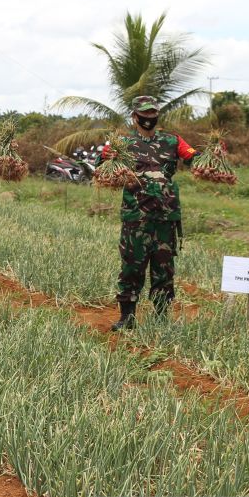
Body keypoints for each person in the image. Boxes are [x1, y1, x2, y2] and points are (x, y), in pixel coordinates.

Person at [104, 95, 197, 331]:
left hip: (165, 218)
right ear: (134, 117)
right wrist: (109, 161)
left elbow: (193, 158)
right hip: (136, 217)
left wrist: (211, 158)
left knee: (164, 270)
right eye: (144, 116)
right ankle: (127, 317)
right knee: (132, 268)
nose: (149, 120)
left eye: (152, 115)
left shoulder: (172, 141)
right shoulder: (121, 142)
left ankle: (160, 318)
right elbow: (101, 164)